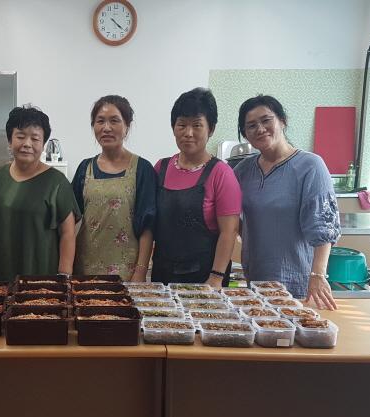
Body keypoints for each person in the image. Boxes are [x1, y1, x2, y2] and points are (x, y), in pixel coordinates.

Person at [234, 94, 340, 309]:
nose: (260, 129)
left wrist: (318, 275)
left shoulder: (310, 166)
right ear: (245, 135)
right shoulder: (243, 170)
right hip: (255, 278)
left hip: (297, 282)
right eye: (251, 126)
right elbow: (229, 216)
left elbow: (325, 226)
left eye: (266, 120)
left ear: (282, 121)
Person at [152, 88, 241, 288]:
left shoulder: (221, 173)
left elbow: (229, 231)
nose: (188, 133)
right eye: (182, 125)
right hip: (162, 273)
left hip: (205, 278)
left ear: (211, 129)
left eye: (197, 125)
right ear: (173, 127)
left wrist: (216, 277)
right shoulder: (160, 168)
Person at [72, 95, 156, 281]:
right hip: (85, 269)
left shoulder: (142, 169)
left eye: (114, 121)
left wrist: (140, 271)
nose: (106, 128)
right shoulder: (85, 168)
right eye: (100, 121)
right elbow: (69, 221)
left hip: (127, 272)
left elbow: (147, 226)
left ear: (127, 126)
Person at [0, 105, 80, 281]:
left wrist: (64, 275)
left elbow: (68, 234)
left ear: (43, 143)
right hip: (1, 271)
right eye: (20, 136)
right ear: (10, 140)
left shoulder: (57, 182)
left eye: (35, 138)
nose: (27, 144)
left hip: (42, 275)